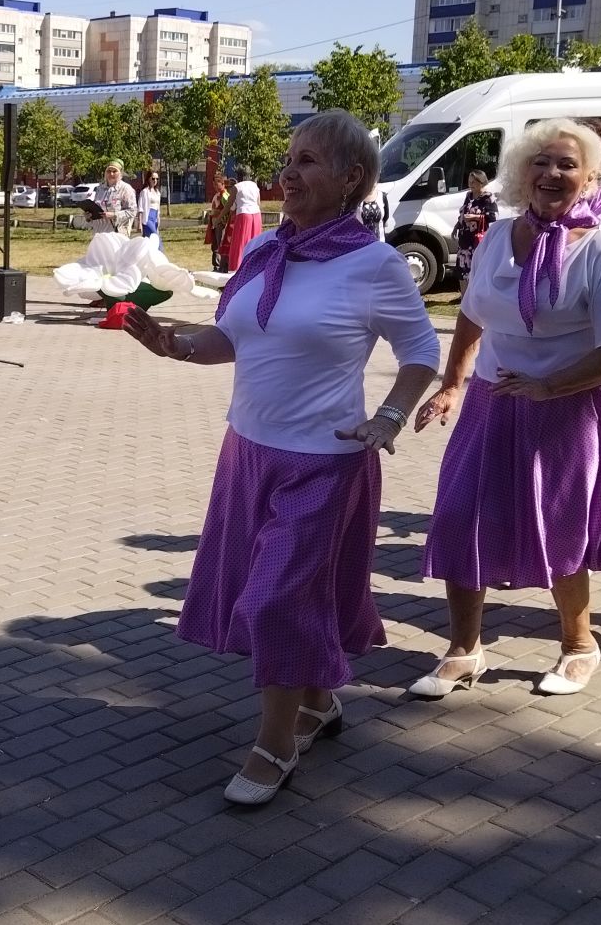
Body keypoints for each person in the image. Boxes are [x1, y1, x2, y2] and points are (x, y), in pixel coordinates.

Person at [122, 111, 440, 805]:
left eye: (307, 163)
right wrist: (172, 345)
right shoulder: (267, 251)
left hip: (325, 463)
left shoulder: (375, 264)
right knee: (277, 593)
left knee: (275, 601)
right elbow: (234, 342)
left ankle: (275, 745)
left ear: (353, 178)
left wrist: (390, 416)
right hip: (248, 454)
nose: (287, 175)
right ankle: (317, 701)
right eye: (288, 160)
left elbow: (422, 352)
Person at [412, 120, 601, 698]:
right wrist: (453, 385)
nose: (552, 174)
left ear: (588, 178)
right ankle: (465, 650)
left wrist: (550, 386)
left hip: (567, 410)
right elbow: (473, 314)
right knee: (460, 517)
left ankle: (578, 645)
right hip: (491, 402)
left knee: (558, 529)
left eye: (567, 164)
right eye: (540, 162)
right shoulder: (497, 236)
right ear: (520, 173)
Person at [451, 170, 499, 284]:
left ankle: (475, 300)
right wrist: (456, 226)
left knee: (476, 274)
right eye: (469, 182)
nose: (470, 185)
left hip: (477, 243)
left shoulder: (487, 197)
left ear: (481, 182)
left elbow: (493, 216)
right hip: (464, 243)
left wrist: (475, 217)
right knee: (462, 275)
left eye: (473, 182)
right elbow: (463, 213)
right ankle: (464, 300)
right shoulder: (469, 196)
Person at [224, 172, 263, 270]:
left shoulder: (237, 187)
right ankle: (254, 267)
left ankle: (236, 268)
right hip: (256, 215)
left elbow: (231, 206)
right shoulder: (254, 186)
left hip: (243, 215)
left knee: (239, 243)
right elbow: (258, 203)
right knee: (255, 242)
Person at [90, 160, 138, 235]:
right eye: (109, 171)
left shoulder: (126, 189)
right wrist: (89, 215)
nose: (111, 174)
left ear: (120, 173)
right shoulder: (100, 189)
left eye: (114, 171)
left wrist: (114, 215)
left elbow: (132, 211)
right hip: (99, 233)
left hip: (117, 234)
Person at [204, 183, 234, 272]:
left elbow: (227, 209)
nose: (215, 187)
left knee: (220, 244)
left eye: (218, 185)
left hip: (221, 223)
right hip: (215, 223)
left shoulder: (225, 195)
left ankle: (222, 266)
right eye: (214, 185)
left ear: (223, 185)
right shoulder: (216, 195)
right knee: (215, 244)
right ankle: (216, 265)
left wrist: (218, 214)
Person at [138, 168, 163, 245]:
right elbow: (140, 208)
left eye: (156, 179)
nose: (155, 180)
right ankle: (160, 253)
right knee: (156, 238)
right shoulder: (144, 192)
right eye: (153, 178)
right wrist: (139, 223)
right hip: (147, 218)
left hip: (155, 218)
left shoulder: (157, 192)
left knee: (149, 241)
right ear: (148, 179)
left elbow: (158, 207)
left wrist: (158, 219)